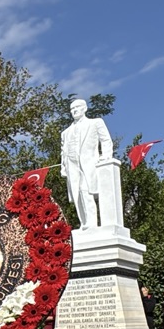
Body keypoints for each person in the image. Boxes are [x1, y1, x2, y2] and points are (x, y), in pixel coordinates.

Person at [59, 98, 116, 230]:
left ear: (84, 108)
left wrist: (106, 156)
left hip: (89, 164)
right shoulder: (66, 133)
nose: (74, 111)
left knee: (86, 191)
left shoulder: (95, 123)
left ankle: (92, 222)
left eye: (77, 107)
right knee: (77, 194)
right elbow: (64, 151)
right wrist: (63, 167)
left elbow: (106, 140)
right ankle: (84, 223)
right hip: (72, 166)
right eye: (72, 109)